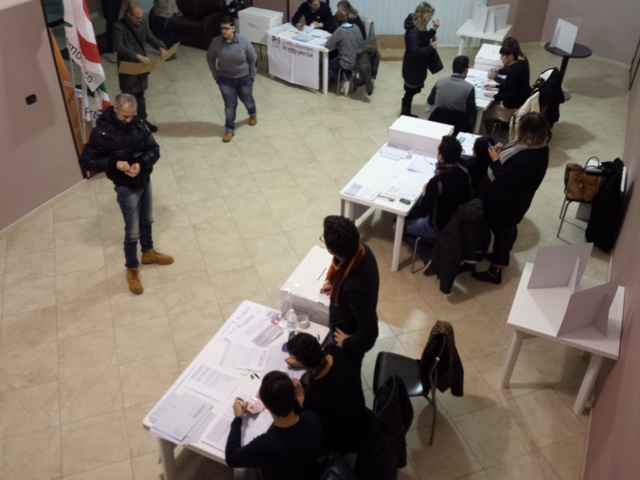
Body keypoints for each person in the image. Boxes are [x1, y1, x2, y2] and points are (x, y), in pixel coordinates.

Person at [79, 93, 174, 295]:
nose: (129, 120)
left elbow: (154, 149)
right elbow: (86, 162)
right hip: (125, 186)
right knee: (132, 231)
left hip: (143, 178)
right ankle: (131, 268)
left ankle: (148, 252)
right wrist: (114, 163)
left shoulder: (138, 123)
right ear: (115, 109)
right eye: (125, 116)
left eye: (132, 115)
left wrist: (140, 163)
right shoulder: (101, 132)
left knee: (147, 219)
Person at [473, 112, 551, 284]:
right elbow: (512, 165)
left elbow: (504, 180)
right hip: (511, 201)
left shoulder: (530, 158)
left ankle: (495, 270)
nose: (517, 131)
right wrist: (501, 154)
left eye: (521, 128)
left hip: (508, 204)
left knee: (502, 234)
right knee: (507, 230)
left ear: (530, 133)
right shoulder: (535, 146)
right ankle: (503, 257)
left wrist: (495, 160)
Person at [226, 371, 323, 480]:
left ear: (265, 405)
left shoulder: (264, 445)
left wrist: (237, 418)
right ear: (294, 395)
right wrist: (301, 398)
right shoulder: (312, 418)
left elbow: (231, 458)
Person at [285, 332, 367, 456]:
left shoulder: (316, 394)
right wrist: (302, 362)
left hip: (345, 437)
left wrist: (300, 396)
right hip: (358, 413)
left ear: (302, 361)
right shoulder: (334, 351)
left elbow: (308, 416)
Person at [321, 215, 379, 371]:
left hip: (347, 338)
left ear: (330, 250)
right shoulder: (362, 249)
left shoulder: (352, 286)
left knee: (347, 372)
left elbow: (370, 332)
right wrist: (335, 284)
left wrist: (346, 342)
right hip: (348, 323)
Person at [402, 136, 472, 255]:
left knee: (397, 227)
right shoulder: (464, 172)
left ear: (440, 156)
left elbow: (423, 211)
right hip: (458, 223)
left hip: (437, 227)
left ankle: (427, 253)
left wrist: (425, 192)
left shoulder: (437, 182)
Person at [113, 2, 167, 132]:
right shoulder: (118, 27)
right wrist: (137, 56)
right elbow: (118, 46)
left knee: (141, 96)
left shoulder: (142, 23)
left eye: (141, 17)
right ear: (129, 14)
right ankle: (127, 125)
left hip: (141, 67)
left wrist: (161, 46)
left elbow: (150, 37)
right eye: (137, 17)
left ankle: (143, 121)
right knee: (127, 98)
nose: (140, 20)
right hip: (128, 67)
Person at [207, 16, 257, 143]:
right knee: (229, 105)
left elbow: (253, 58)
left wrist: (252, 75)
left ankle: (252, 113)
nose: (223, 31)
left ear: (233, 28)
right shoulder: (216, 42)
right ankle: (229, 129)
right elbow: (210, 58)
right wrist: (216, 75)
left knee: (247, 99)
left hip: (244, 78)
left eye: (226, 28)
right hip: (225, 79)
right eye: (222, 28)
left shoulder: (243, 41)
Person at [401, 2, 439, 117]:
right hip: (413, 67)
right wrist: (430, 47)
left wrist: (433, 29)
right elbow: (415, 51)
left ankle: (405, 111)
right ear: (423, 15)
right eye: (429, 16)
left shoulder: (418, 26)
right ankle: (405, 113)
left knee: (412, 90)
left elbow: (423, 37)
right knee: (410, 91)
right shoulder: (414, 31)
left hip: (415, 66)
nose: (430, 19)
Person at [482, 40, 531, 129]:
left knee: (482, 113)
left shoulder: (514, 72)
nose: (501, 58)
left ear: (511, 56)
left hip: (512, 108)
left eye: (503, 55)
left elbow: (510, 95)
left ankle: (486, 133)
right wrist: (495, 86)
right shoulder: (521, 62)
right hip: (522, 100)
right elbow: (512, 85)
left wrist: (494, 96)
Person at [427, 55, 477, 129]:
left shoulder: (440, 81)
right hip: (459, 125)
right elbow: (472, 111)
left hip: (438, 121)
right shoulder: (469, 88)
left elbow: (430, 101)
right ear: (465, 70)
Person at [325, 10, 363, 96]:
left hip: (345, 62)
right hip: (357, 60)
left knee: (328, 66)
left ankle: (343, 80)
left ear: (336, 22)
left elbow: (328, 45)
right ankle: (348, 76)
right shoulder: (356, 27)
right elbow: (360, 43)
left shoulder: (340, 31)